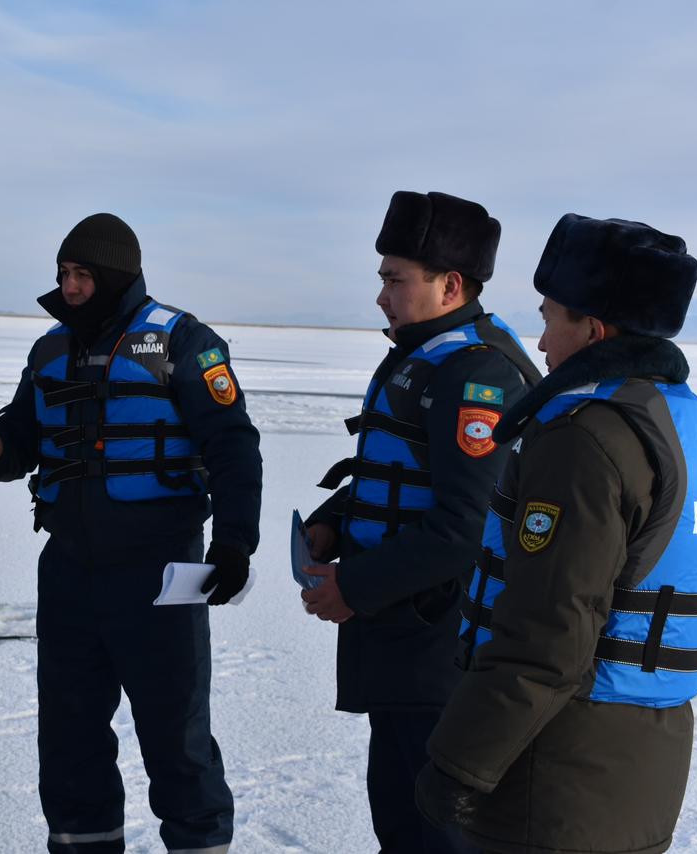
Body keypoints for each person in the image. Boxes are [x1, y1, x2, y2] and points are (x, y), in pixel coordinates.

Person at [0, 213, 262, 853]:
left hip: (162, 575)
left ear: (117, 277)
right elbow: (23, 432)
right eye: (63, 275)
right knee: (69, 740)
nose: (70, 288)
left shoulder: (185, 342)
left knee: (177, 740)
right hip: (70, 572)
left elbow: (233, 446)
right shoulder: (49, 349)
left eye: (83, 275)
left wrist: (236, 542)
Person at [418, 214, 697, 854]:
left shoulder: (585, 438)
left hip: (554, 780)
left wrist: (460, 763)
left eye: (549, 318)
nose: (540, 344)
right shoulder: (684, 421)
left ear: (593, 329)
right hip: (642, 768)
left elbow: (549, 631)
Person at [301, 191, 541, 853]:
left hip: (443, 649)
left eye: (394, 280)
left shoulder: (478, 375)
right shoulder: (423, 354)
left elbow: (466, 527)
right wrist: (333, 521)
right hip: (406, 640)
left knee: (435, 834)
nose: (381, 296)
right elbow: (397, 472)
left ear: (451, 284)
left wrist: (355, 586)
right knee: (401, 824)